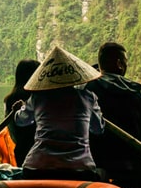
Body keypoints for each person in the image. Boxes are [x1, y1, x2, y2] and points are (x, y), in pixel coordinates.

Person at [14, 46, 104, 180]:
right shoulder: (88, 97)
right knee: (102, 174)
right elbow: (98, 129)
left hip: (37, 167)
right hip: (80, 168)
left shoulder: (38, 97)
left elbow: (21, 121)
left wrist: (18, 110)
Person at [85, 42, 141, 183]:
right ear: (120, 64)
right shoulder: (137, 91)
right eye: (125, 62)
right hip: (132, 164)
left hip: (96, 161)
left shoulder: (86, 89)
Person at [3, 59, 40, 166]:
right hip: (38, 151)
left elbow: (12, 131)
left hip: (21, 150)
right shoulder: (37, 98)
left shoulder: (9, 99)